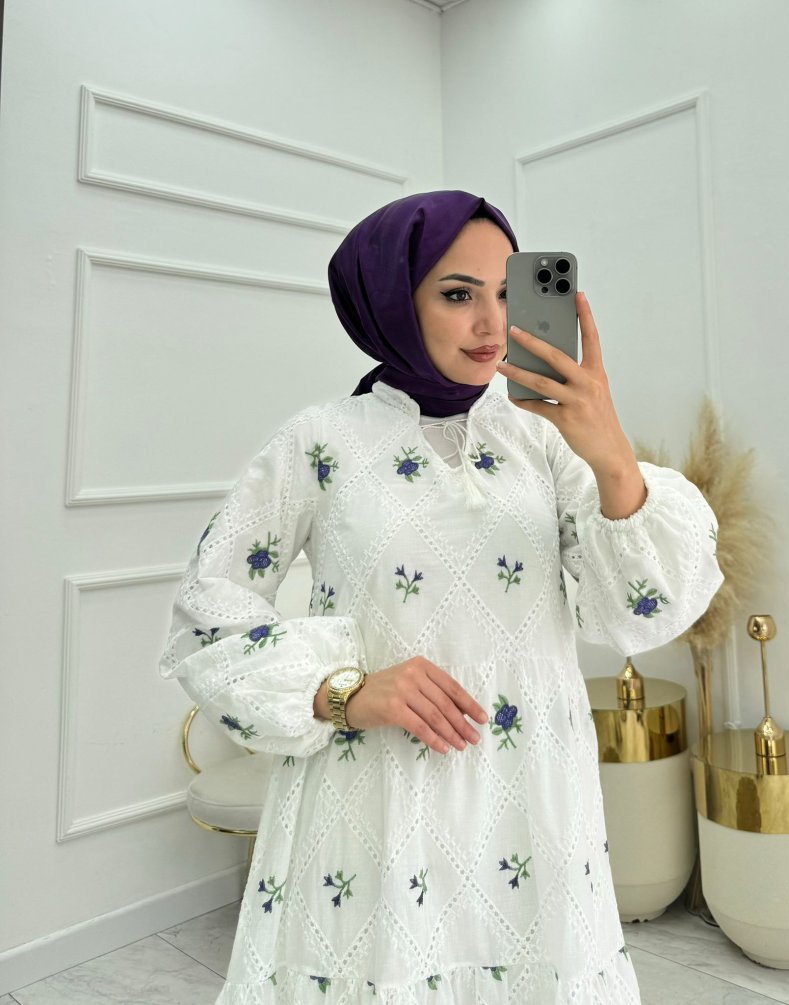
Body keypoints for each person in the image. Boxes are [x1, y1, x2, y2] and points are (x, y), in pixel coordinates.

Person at [161, 190, 723, 1004]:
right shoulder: (321, 440)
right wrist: (342, 689)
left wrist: (610, 454)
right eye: (459, 294)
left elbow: (643, 607)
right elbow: (207, 608)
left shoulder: (542, 437)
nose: (492, 323)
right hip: (379, 799)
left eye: (507, 293)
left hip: (532, 796)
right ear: (393, 298)